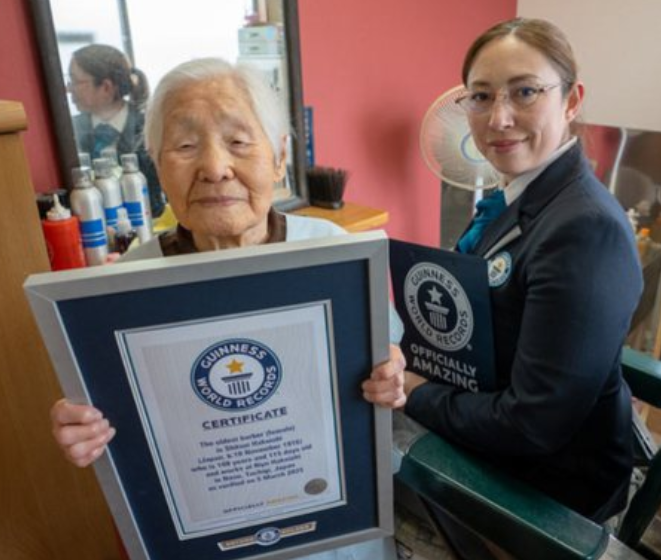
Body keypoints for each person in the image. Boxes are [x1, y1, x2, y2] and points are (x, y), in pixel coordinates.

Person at [52, 57, 406, 560]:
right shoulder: (125, 285)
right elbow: (113, 410)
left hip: (339, 534)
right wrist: (85, 425)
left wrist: (390, 371)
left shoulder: (333, 252)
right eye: (185, 146)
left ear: (280, 157)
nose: (216, 167)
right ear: (156, 163)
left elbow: (386, 352)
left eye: (239, 142)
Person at [366, 16, 643, 531]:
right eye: (481, 96)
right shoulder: (515, 196)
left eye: (525, 92)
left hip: (549, 488)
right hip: (485, 412)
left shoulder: (584, 231)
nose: (499, 118)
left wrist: (415, 388)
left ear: (572, 100)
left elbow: (534, 425)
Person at [67, 44, 165, 217]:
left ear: (106, 87)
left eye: (75, 81)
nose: (69, 89)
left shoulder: (149, 127)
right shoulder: (69, 130)